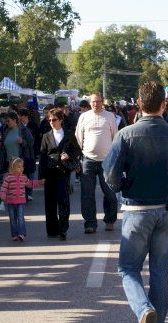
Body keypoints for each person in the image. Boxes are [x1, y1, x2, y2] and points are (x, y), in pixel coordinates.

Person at [103, 81, 168, 323]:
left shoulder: (126, 134)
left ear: (139, 105)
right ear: (164, 104)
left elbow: (110, 176)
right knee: (159, 271)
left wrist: (122, 187)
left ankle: (143, 310)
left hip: (138, 210)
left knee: (128, 268)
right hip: (167, 211)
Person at [75, 92, 118, 234]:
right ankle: (90, 224)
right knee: (87, 194)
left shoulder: (110, 117)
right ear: (89, 103)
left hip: (106, 161)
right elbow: (78, 138)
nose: (95, 104)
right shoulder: (84, 117)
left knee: (110, 193)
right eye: (93, 102)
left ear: (102, 102)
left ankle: (110, 220)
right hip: (88, 160)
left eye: (98, 101)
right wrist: (80, 157)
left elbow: (115, 137)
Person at [39, 108, 82, 241]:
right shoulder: (46, 136)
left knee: (63, 201)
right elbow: (42, 156)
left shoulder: (69, 134)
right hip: (50, 172)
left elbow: (77, 151)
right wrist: (42, 175)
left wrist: (68, 155)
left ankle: (63, 229)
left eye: (54, 119)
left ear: (61, 120)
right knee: (50, 202)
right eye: (50, 120)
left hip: (63, 172)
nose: (52, 122)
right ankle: (52, 229)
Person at [0, 158, 44, 241]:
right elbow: (4, 187)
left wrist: (39, 182)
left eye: (22, 166)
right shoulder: (8, 178)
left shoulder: (23, 177)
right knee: (12, 219)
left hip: (21, 201)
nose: (21, 168)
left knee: (20, 217)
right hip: (11, 202)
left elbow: (30, 184)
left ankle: (21, 233)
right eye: (19, 167)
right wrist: (2, 194)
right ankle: (14, 234)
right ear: (13, 168)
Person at [2, 111, 36, 201]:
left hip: (21, 160)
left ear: (14, 120)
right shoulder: (5, 131)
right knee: (12, 181)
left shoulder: (23, 130)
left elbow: (31, 142)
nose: (7, 123)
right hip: (9, 161)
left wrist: (23, 142)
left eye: (8, 121)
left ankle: (26, 195)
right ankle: (14, 197)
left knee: (23, 178)